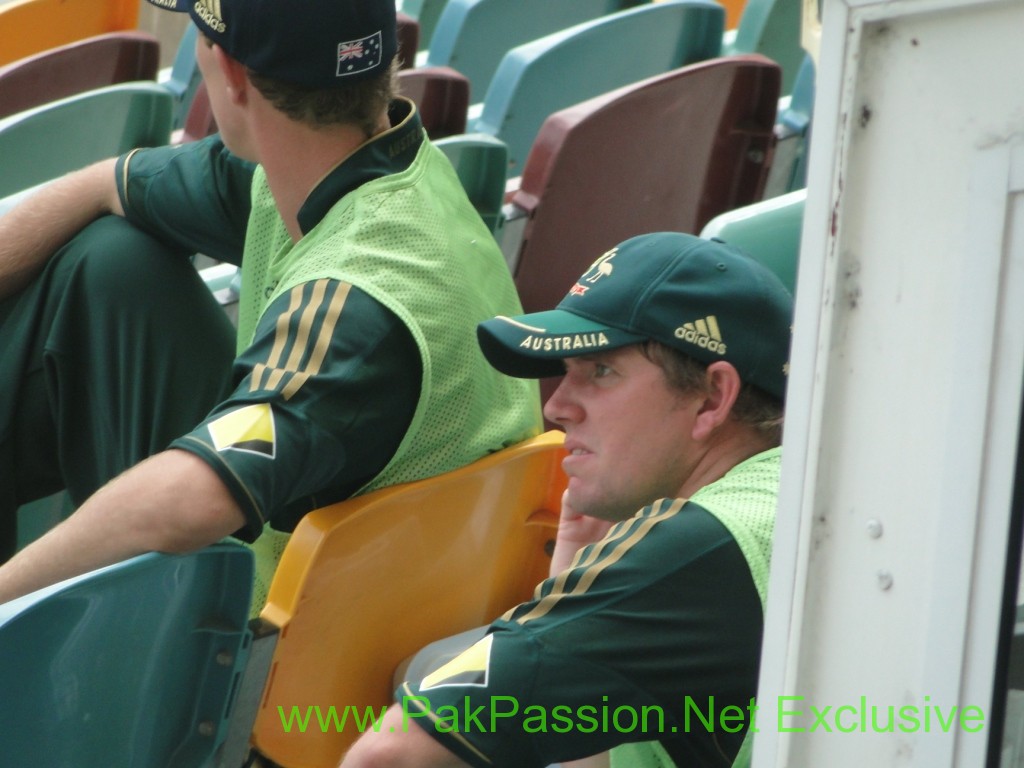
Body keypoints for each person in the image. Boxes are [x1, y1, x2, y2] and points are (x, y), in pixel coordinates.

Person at [0, 0, 540, 608]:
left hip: (283, 650)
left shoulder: (359, 301)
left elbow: (193, 500)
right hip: (415, 570)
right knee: (111, 263)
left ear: (229, 71)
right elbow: (107, 186)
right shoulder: (360, 166)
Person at [340, 231, 793, 768]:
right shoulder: (792, 494)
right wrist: (573, 588)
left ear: (712, 397)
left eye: (601, 371)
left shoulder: (696, 542)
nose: (557, 406)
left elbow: (389, 758)